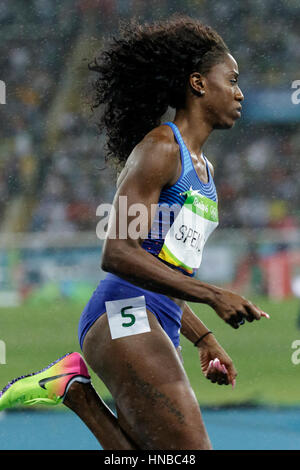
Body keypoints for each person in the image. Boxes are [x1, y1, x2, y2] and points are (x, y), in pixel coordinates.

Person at [0, 16, 269, 450]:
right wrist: (213, 295)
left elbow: (163, 268)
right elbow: (118, 252)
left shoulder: (207, 171)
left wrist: (204, 337)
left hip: (156, 315)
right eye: (232, 80)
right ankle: (74, 390)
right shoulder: (161, 150)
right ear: (198, 83)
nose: (239, 92)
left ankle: (73, 389)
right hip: (123, 310)